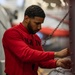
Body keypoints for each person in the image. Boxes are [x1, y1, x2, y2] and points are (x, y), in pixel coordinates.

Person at [2, 5, 71, 75]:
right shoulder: (12, 33)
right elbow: (26, 54)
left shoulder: (36, 38)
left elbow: (41, 61)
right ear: (26, 18)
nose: (39, 27)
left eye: (41, 23)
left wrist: (57, 62)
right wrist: (56, 54)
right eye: (37, 23)